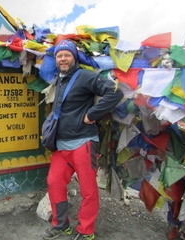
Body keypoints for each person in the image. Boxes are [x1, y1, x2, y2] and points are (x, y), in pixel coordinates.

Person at [41, 40, 124, 240]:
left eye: (67, 55)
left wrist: (92, 115)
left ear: (74, 57)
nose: (63, 59)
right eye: (59, 55)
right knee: (54, 183)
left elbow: (115, 93)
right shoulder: (60, 79)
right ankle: (61, 225)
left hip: (83, 143)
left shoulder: (85, 76)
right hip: (61, 147)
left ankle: (86, 231)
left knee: (88, 190)